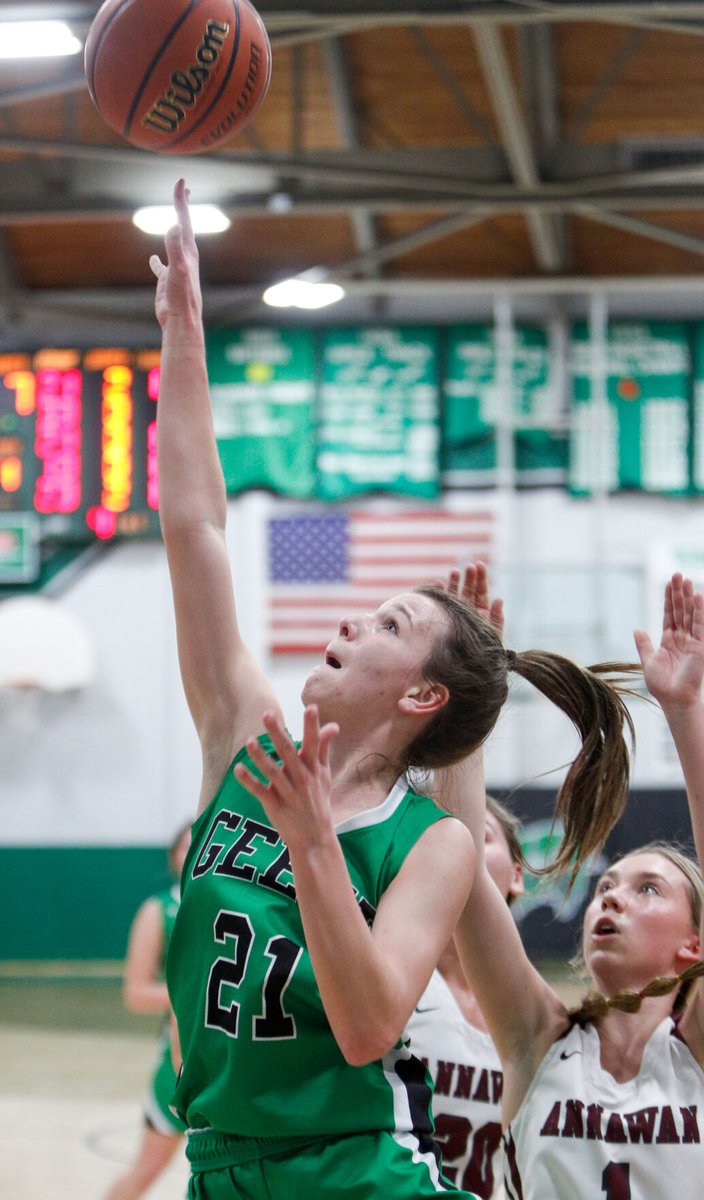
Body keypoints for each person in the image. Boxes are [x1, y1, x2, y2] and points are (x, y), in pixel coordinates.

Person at [148, 178, 637, 1200]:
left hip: (352, 1174)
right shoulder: (245, 735)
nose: (348, 625)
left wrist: (313, 844)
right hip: (219, 1168)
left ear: (420, 698)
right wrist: (184, 338)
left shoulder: (432, 843)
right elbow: (194, 529)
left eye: (388, 626)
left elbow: (369, 1025)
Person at [447, 571, 704, 1200]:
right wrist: (469, 701)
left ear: (693, 947)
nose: (610, 896)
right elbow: (464, 881)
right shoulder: (537, 1040)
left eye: (648, 890)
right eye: (607, 886)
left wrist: (685, 709)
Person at [406, 796, 525, 1200]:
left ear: (517, 875)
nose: (459, 847)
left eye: (481, 835)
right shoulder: (390, 975)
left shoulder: (537, 1015)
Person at [103, 822, 193, 1200]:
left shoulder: (244, 901)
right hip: (180, 1057)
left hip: (235, 1052)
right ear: (173, 857)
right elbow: (136, 993)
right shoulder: (160, 910)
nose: (194, 852)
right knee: (146, 1172)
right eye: (185, 846)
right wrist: (194, 993)